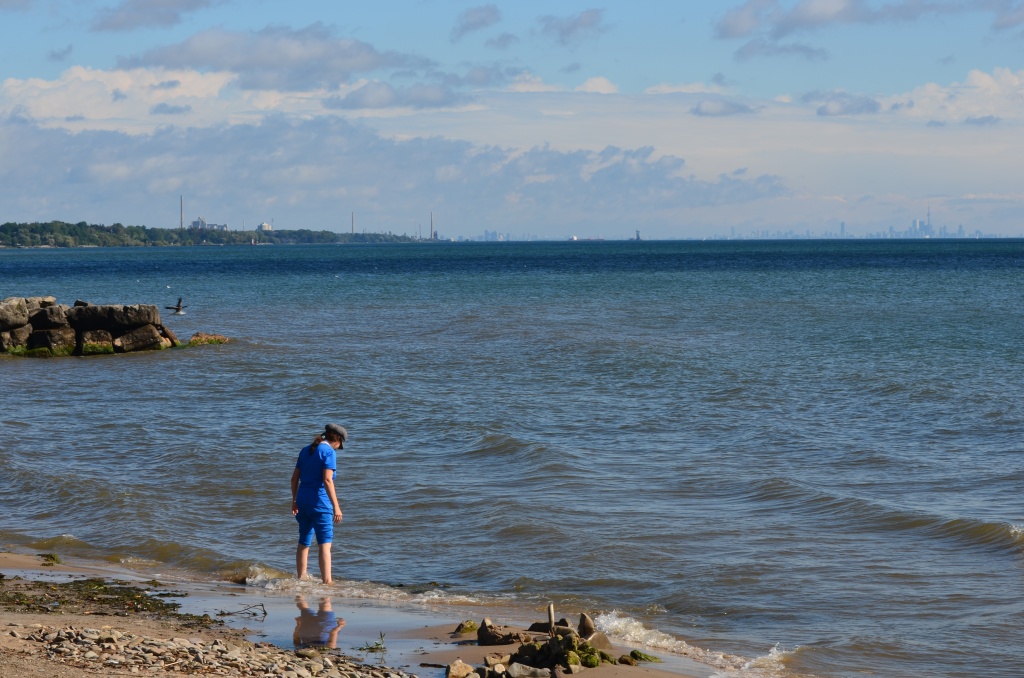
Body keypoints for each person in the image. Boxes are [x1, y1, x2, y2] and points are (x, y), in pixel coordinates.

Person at [291, 423, 347, 584]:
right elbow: (327, 480)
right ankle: (327, 582)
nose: (338, 448)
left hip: (302, 500)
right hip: (320, 503)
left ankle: (301, 579)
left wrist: (294, 501)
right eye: (339, 445)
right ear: (337, 439)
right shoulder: (328, 452)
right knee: (324, 544)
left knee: (304, 541)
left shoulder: (305, 450)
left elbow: (294, 479)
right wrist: (336, 507)